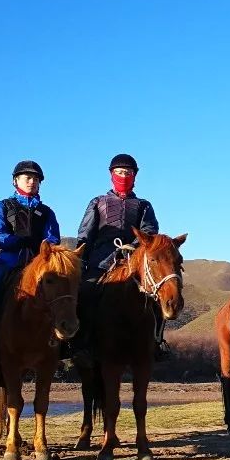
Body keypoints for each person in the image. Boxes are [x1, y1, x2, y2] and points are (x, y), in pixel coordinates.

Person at [73, 154, 161, 362]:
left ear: (135, 176)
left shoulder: (143, 205)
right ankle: (81, 344)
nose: (124, 176)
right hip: (100, 261)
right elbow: (85, 234)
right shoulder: (98, 202)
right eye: (120, 173)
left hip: (133, 262)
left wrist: (136, 246)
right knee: (85, 292)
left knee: (156, 297)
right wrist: (81, 262)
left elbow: (150, 231)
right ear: (112, 175)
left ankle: (156, 342)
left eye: (128, 173)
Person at [0, 160, 61, 361]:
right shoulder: (1, 206)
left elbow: (53, 238)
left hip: (38, 263)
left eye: (36, 179)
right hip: (9, 260)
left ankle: (62, 339)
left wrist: (41, 246)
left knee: (63, 291)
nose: (32, 182)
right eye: (28, 178)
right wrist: (17, 241)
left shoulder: (47, 212)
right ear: (16, 181)